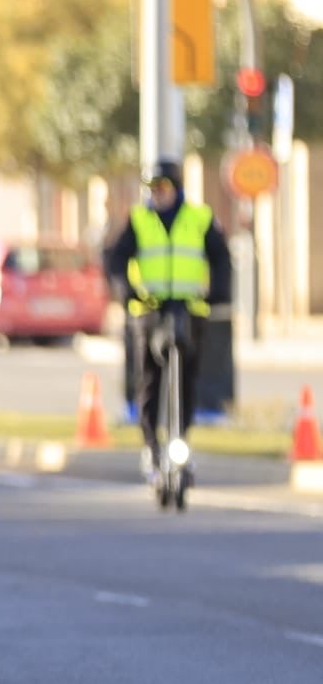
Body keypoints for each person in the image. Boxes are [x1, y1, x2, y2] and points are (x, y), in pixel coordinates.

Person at [101, 160, 233, 484]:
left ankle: (181, 443)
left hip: (189, 309)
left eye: (163, 187)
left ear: (176, 188)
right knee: (148, 382)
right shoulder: (139, 219)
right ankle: (150, 447)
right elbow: (116, 259)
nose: (158, 194)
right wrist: (126, 291)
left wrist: (217, 292)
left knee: (186, 380)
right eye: (153, 189)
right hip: (149, 310)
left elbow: (221, 258)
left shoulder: (199, 218)